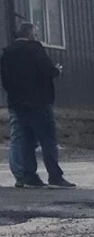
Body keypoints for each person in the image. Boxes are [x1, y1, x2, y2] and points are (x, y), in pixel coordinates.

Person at [0, 23, 75, 189]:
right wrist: (57, 70)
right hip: (39, 101)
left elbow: (5, 81)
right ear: (30, 34)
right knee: (47, 140)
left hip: (17, 102)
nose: (37, 36)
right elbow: (46, 70)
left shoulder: (7, 53)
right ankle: (55, 176)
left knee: (23, 139)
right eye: (36, 33)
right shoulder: (35, 49)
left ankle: (28, 176)